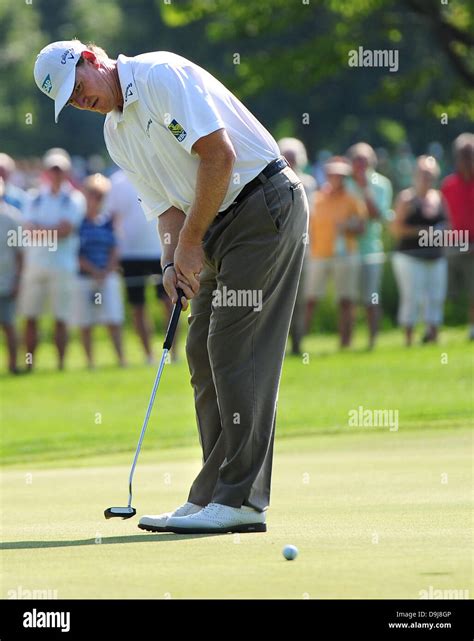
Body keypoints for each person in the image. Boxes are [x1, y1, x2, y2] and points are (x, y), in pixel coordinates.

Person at [34, 40, 308, 534]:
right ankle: (212, 494)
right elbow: (165, 207)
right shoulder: (116, 133)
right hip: (214, 222)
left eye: (79, 88)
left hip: (263, 204)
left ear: (93, 60)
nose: (81, 100)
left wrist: (191, 243)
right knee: (201, 350)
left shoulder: (160, 76)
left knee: (233, 345)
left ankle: (242, 499)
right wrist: (170, 260)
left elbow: (218, 157)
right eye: (70, 101)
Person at [19, 148, 85, 370]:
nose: (56, 174)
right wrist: (53, 231)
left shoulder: (75, 199)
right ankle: (30, 364)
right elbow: (29, 231)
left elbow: (66, 230)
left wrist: (42, 231)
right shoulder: (34, 198)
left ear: (66, 172)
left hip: (62, 266)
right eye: (52, 169)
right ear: (47, 172)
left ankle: (60, 364)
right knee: (30, 316)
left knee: (61, 317)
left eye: (60, 170)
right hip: (36, 265)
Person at [106, 169, 178, 363]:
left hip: (159, 250)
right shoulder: (117, 181)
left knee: (169, 301)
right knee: (138, 306)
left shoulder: (156, 172)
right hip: (129, 254)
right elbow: (112, 218)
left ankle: (174, 353)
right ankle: (149, 355)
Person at [305, 156, 367, 348]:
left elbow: (361, 227)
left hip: (345, 255)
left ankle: (345, 343)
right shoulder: (317, 198)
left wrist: (349, 225)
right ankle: (298, 342)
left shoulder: (352, 199)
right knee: (309, 299)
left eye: (340, 175)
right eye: (333, 174)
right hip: (318, 254)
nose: (336, 178)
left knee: (346, 300)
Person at [391, 156, 449, 346]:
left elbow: (449, 225)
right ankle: (409, 338)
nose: (426, 178)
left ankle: (432, 335)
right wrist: (422, 232)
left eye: (430, 175)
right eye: (423, 174)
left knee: (435, 296)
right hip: (410, 257)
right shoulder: (406, 199)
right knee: (412, 297)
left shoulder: (439, 198)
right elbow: (396, 230)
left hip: (435, 256)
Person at [74, 173, 125, 368]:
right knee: (85, 321)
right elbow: (75, 252)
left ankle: (121, 359)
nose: (96, 199)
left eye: (100, 195)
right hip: (85, 277)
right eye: (93, 194)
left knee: (113, 318)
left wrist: (106, 270)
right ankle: (90, 362)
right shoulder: (79, 222)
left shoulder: (109, 221)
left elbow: (115, 248)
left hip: (107, 275)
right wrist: (93, 270)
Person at [346, 142, 393, 349]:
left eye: (364, 161)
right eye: (356, 161)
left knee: (371, 298)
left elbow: (377, 215)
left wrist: (365, 189)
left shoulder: (382, 184)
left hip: (371, 251)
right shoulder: (344, 184)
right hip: (347, 250)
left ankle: (372, 341)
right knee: (348, 299)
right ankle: (346, 342)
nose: (360, 165)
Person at [278, 137, 317, 355]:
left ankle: (297, 343)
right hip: (278, 249)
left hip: (302, 248)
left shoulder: (308, 183)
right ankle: (278, 346)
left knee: (299, 299)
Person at [441, 133, 474, 341]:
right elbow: (443, 217)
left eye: (469, 155)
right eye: (463, 156)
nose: (466, 160)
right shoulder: (448, 185)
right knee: (444, 291)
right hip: (452, 245)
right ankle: (434, 329)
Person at [0, 178, 23, 374]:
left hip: (6, 280)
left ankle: (13, 365)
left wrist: (17, 280)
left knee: (9, 324)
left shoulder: (12, 217)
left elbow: (20, 253)